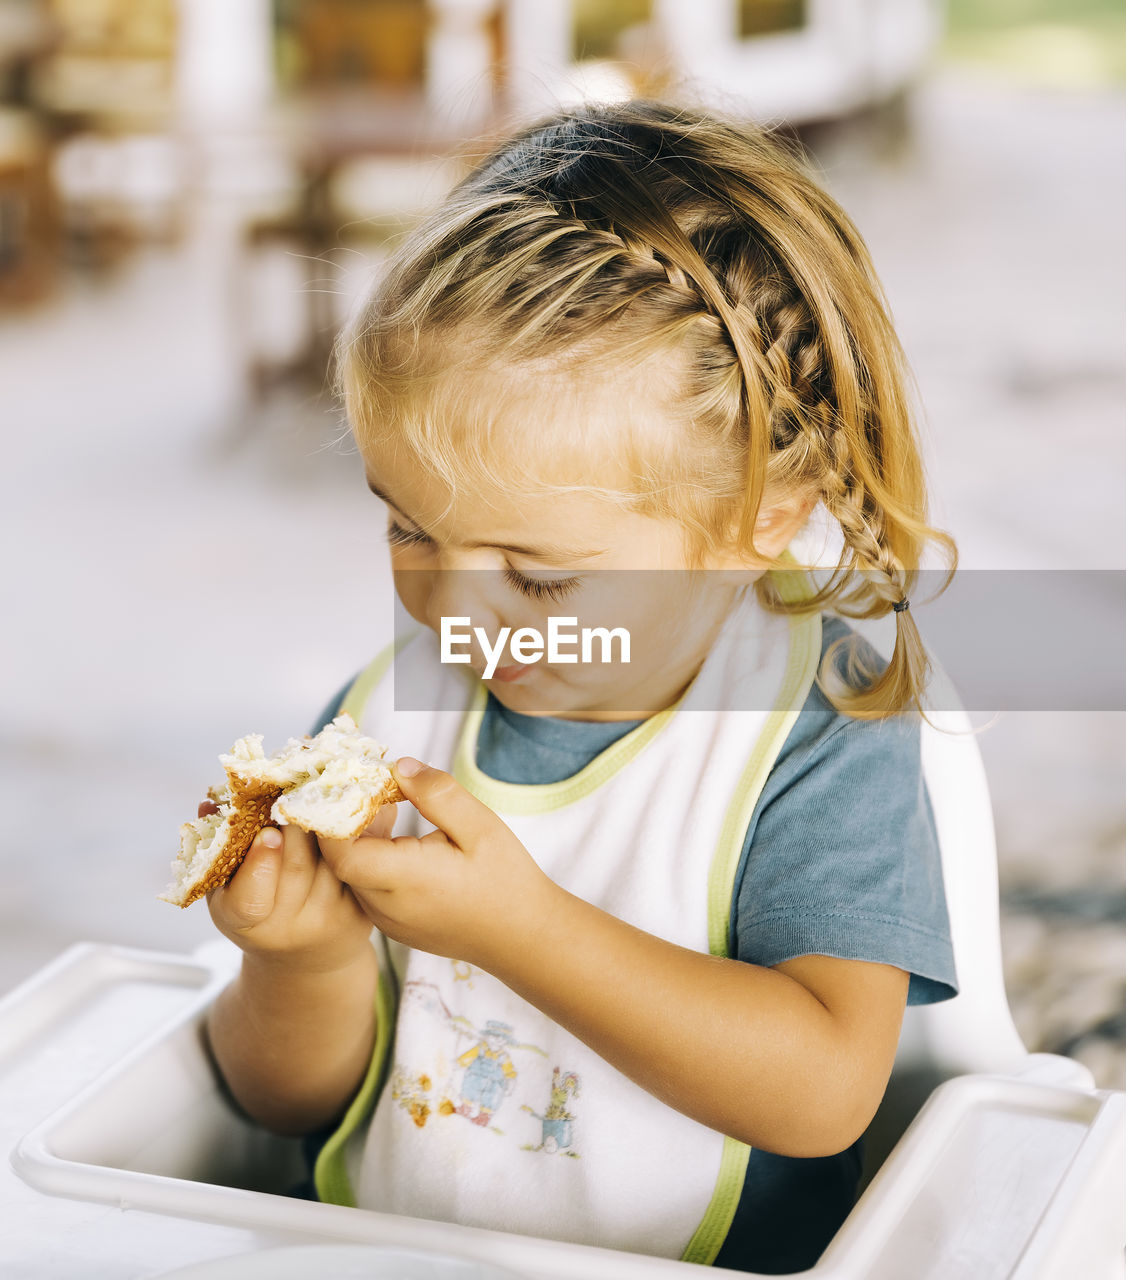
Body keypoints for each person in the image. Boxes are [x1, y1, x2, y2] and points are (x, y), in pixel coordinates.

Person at [202, 100, 959, 1274]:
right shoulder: (390, 714)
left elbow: (822, 1093)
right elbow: (282, 1100)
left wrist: (518, 926)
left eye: (541, 575)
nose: (452, 612)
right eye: (407, 529)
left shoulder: (816, 729)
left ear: (761, 516)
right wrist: (297, 959)